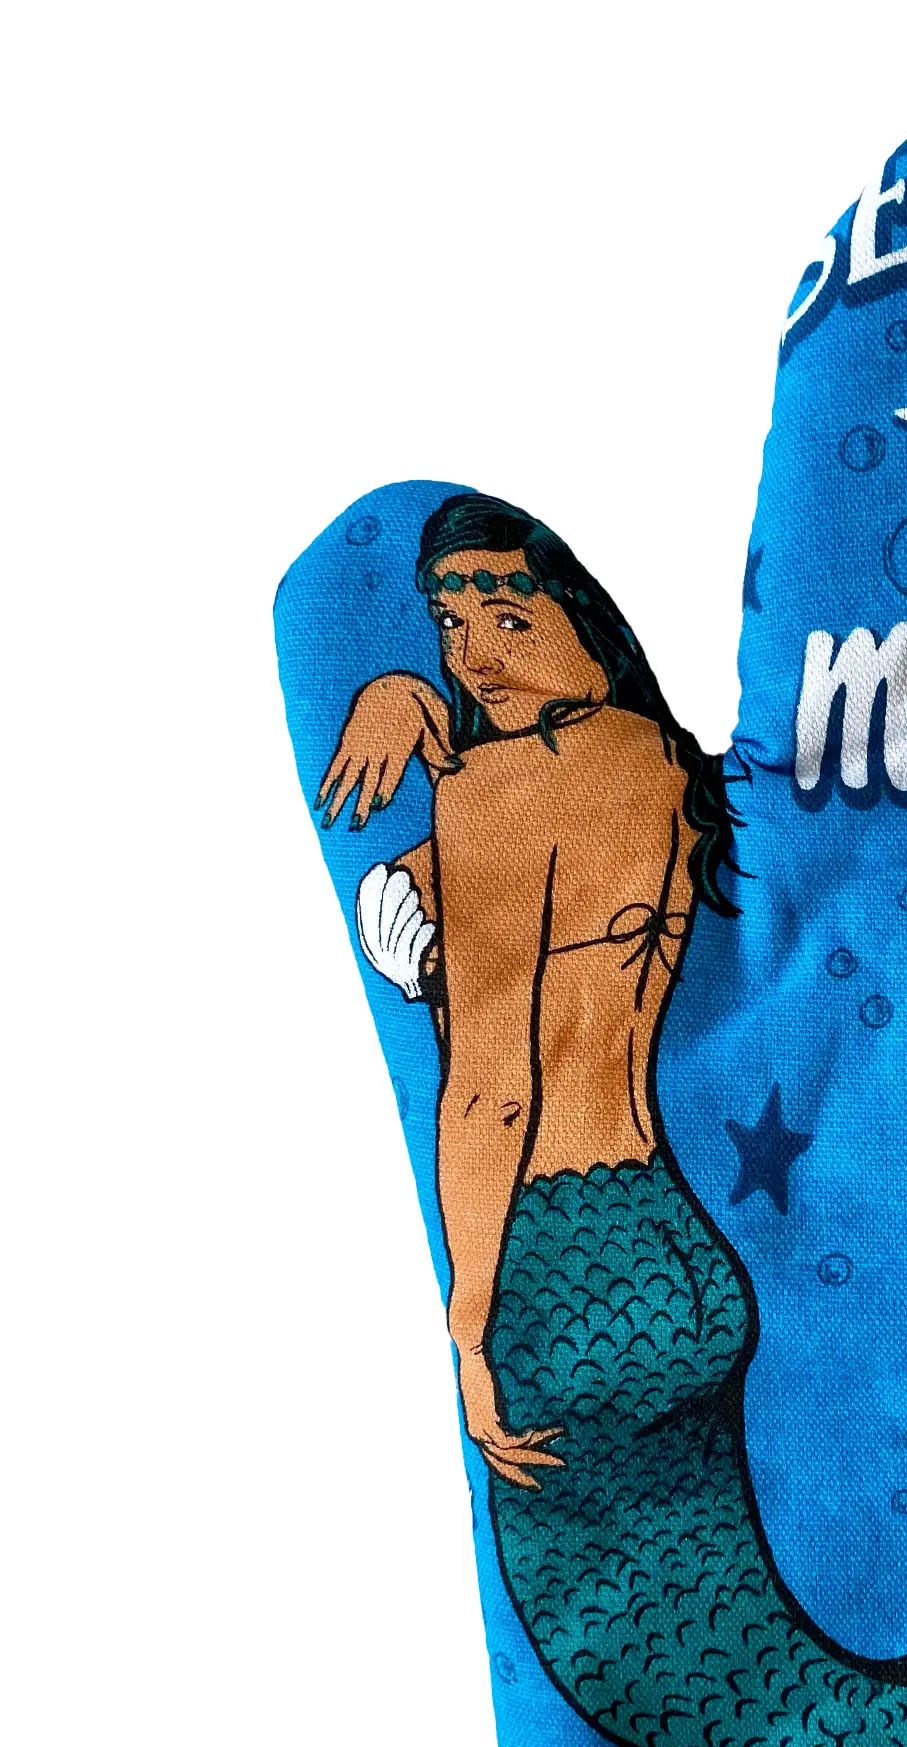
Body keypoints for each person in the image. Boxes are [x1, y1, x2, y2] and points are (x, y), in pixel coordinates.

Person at [318, 493, 739, 1487]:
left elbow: (491, 1091)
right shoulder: (668, 773)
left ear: (582, 618)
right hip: (672, 1238)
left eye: (510, 620)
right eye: (449, 626)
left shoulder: (495, 795)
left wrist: (469, 1334)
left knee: (600, 1579)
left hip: (561, 1263)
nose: (473, 659)